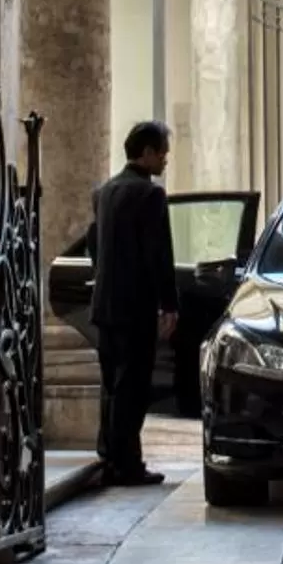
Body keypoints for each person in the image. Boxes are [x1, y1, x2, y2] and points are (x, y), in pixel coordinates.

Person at [88, 120, 178, 484]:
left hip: (105, 305)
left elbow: (95, 244)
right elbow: (158, 254)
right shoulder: (150, 195)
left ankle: (111, 456)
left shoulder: (104, 192)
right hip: (135, 308)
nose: (165, 161)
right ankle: (128, 466)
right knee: (134, 389)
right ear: (146, 153)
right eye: (162, 153)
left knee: (112, 385)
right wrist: (169, 304)